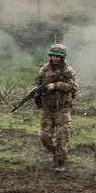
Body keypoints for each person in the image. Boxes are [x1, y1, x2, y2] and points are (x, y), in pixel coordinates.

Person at [35, 44, 78, 172]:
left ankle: (60, 162)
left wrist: (56, 85)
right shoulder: (44, 70)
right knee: (44, 137)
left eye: (58, 56)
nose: (55, 58)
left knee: (61, 136)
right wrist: (38, 92)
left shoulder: (68, 71)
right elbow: (38, 84)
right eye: (53, 56)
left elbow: (74, 87)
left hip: (62, 109)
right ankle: (55, 153)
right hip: (47, 108)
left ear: (62, 57)